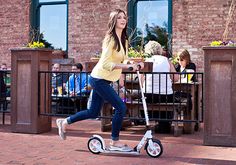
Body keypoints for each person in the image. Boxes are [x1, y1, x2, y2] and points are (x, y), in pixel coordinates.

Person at [56, 9, 143, 151]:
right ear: (113, 21)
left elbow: (124, 58)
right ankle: (114, 143)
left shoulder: (123, 40)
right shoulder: (110, 39)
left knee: (93, 112)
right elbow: (106, 64)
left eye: (124, 17)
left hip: (105, 81)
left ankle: (64, 121)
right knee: (121, 108)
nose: (123, 20)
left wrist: (134, 63)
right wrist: (127, 67)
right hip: (98, 79)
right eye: (119, 17)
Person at [143, 41, 179, 133]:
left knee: (142, 98)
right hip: (165, 96)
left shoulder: (147, 61)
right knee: (168, 99)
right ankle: (164, 124)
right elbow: (176, 78)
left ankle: (148, 121)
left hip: (149, 95)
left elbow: (141, 80)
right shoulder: (166, 60)